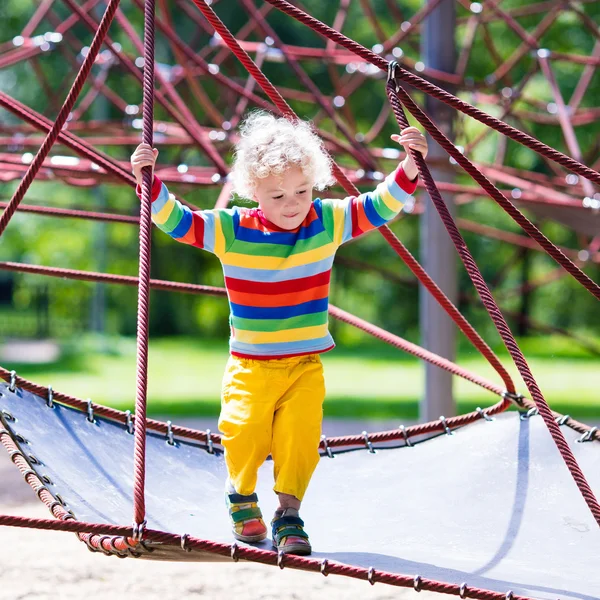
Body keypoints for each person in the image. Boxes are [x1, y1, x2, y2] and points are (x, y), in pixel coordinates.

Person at [130, 112, 428, 556]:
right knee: (243, 433)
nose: (293, 204)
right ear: (254, 193)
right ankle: (241, 493)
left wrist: (410, 164)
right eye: (278, 195)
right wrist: (148, 182)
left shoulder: (325, 223)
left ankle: (289, 514)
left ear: (316, 183)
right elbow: (180, 222)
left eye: (303, 191)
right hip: (251, 366)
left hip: (304, 365)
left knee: (300, 439)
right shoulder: (233, 229)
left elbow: (378, 206)